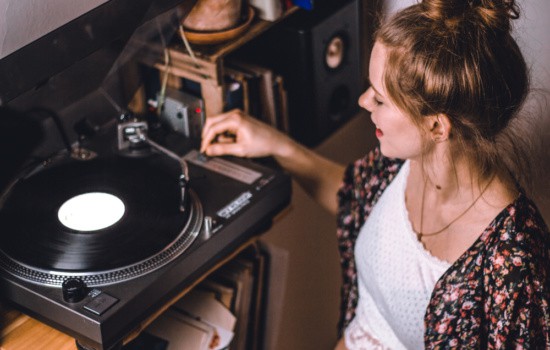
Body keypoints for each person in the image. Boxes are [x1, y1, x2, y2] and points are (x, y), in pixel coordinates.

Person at [200, 0, 550, 348]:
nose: (364, 102)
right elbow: (357, 196)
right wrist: (276, 145)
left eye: (380, 100)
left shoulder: (515, 261)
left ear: (436, 126)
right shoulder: (408, 158)